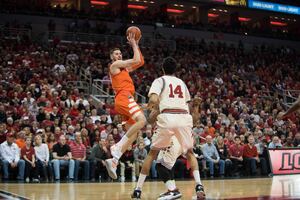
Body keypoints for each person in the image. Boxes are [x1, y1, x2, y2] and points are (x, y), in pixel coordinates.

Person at [131, 57, 205, 199]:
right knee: (190, 153)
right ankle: (199, 186)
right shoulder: (182, 83)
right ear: (175, 70)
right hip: (183, 117)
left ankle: (138, 190)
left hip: (168, 117)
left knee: (152, 155)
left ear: (162, 69)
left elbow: (153, 100)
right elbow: (188, 107)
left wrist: (148, 105)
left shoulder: (160, 81)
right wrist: (195, 105)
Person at [105, 32, 147, 180]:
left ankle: (114, 160)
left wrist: (137, 45)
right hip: (124, 97)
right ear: (112, 57)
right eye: (116, 54)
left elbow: (140, 61)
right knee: (142, 121)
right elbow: (135, 59)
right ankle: (116, 148)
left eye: (120, 53)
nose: (119, 55)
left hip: (124, 99)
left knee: (134, 133)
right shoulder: (115, 65)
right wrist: (134, 43)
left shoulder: (125, 69)